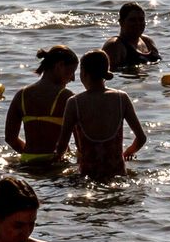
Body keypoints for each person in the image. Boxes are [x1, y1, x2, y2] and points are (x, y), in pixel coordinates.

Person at [54, 50, 147, 180]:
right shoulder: (121, 98)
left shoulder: (74, 103)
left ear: (84, 73)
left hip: (88, 176)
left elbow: (62, 146)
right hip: (117, 173)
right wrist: (127, 153)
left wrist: (56, 160)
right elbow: (141, 138)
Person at [4, 45, 77, 165]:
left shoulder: (21, 95)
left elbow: (10, 139)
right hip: (54, 164)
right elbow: (80, 141)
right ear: (59, 66)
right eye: (72, 71)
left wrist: (32, 156)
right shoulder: (67, 97)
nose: (73, 78)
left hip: (27, 161)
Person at [102, 1, 160, 73]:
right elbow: (107, 75)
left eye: (141, 19)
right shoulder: (114, 45)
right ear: (121, 22)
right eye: (132, 20)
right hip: (128, 82)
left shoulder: (147, 41)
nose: (138, 23)